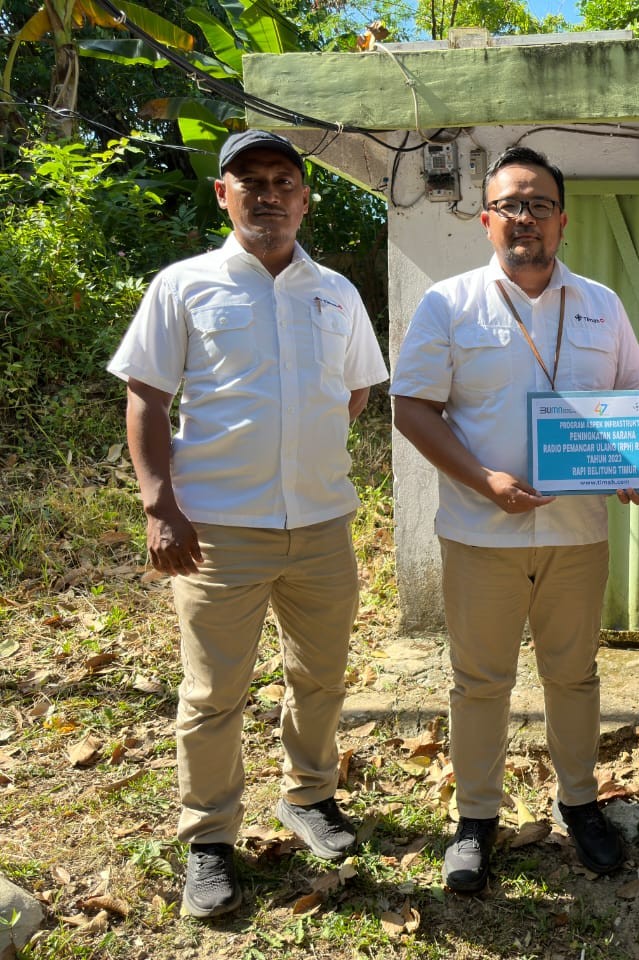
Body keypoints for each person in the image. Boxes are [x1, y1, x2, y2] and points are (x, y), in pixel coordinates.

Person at [108, 130, 389, 919]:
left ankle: (309, 797)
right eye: (251, 181)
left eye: (283, 181)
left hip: (323, 527)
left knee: (321, 676)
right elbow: (147, 399)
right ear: (223, 194)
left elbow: (357, 392)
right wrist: (160, 505)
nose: (269, 193)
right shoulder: (184, 286)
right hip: (218, 532)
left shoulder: (335, 292)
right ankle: (208, 841)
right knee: (212, 693)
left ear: (304, 198)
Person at [390, 146, 639, 892]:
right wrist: (482, 479)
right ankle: (475, 819)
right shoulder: (448, 303)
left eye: (539, 204)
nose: (525, 218)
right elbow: (413, 406)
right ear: (485, 219)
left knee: (573, 678)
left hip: (577, 536)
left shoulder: (603, 303)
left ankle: (580, 804)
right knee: (480, 682)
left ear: (562, 221)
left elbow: (636, 401)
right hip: (481, 533)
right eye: (510, 204)